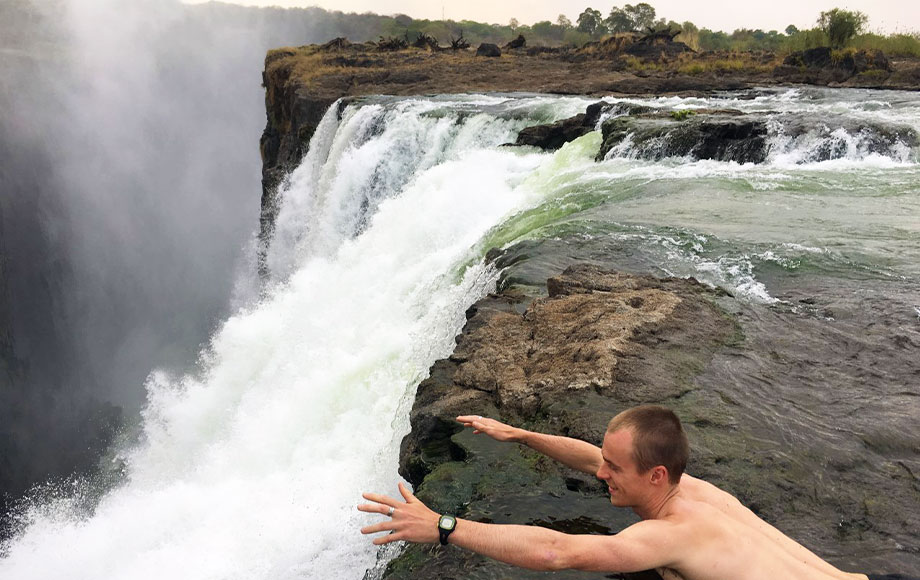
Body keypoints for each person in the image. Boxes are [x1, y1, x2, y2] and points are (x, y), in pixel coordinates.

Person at [359, 405, 917, 580]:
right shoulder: (693, 488)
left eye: (615, 468)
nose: (600, 474)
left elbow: (558, 551)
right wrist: (522, 433)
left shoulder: (669, 535)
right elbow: (589, 456)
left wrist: (444, 527)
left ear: (655, 476)